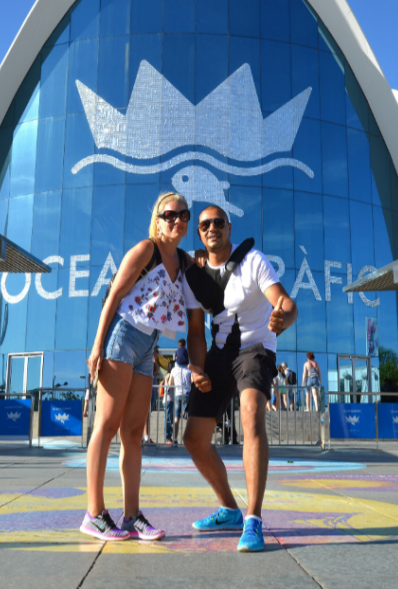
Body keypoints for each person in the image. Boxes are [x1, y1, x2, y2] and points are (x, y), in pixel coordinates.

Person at [181, 204, 298, 553]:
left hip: (256, 348)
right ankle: (230, 509)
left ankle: (253, 518)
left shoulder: (253, 261)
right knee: (193, 439)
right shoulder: (194, 276)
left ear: (229, 228)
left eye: (218, 222)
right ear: (199, 233)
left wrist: (282, 317)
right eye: (205, 224)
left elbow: (286, 303)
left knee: (250, 414)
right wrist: (198, 368)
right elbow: (196, 331)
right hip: (219, 355)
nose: (211, 228)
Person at [81, 192, 192, 542]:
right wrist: (97, 346)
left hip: (148, 347)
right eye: (170, 214)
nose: (177, 220)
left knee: (133, 433)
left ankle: (131, 516)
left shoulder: (183, 261)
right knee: (107, 424)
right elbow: (114, 295)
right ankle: (94, 514)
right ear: (157, 220)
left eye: (183, 214)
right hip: (123, 336)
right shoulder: (147, 249)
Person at [169, 342, 192, 444]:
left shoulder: (174, 370)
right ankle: (189, 438)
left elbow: (171, 383)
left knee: (176, 418)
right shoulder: (189, 369)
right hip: (187, 393)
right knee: (189, 417)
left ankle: (175, 438)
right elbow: (192, 382)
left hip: (177, 393)